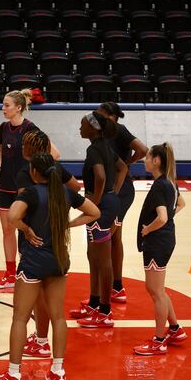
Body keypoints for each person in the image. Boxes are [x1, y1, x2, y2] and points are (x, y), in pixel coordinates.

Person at [0, 154, 100, 380]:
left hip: (33, 262)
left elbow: (12, 216)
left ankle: (13, 374)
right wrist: (68, 224)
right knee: (58, 316)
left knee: (20, 318)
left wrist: (25, 228)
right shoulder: (66, 193)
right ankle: (58, 371)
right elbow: (94, 212)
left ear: (34, 172)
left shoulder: (31, 193)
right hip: (59, 260)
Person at [15, 130, 80, 359]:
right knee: (52, 305)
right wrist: (63, 215)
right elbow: (76, 187)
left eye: (24, 143)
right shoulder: (56, 169)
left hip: (34, 240)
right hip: (57, 245)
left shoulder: (27, 173)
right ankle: (44, 344)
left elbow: (23, 206)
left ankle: (40, 341)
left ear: (31, 149)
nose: (21, 146)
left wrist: (24, 227)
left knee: (33, 299)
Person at [0, 89, 60, 290]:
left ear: (18, 107)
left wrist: (35, 173)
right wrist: (0, 165)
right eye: (3, 105)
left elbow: (54, 154)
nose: (3, 108)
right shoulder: (3, 128)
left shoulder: (30, 129)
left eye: (7, 105)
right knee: (7, 230)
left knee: (25, 231)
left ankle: (27, 271)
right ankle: (10, 273)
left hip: (25, 189)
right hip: (5, 187)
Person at [70, 111, 128, 328]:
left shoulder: (94, 148)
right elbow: (122, 168)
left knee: (103, 261)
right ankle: (94, 302)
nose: (80, 127)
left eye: (82, 124)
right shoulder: (105, 145)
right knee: (93, 256)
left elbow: (101, 176)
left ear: (93, 128)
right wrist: (113, 192)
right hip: (106, 204)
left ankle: (105, 312)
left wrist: (96, 200)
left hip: (101, 208)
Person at [133, 143, 188, 356]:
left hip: (158, 242)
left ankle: (158, 340)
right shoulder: (170, 183)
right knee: (159, 290)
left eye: (147, 157)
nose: (144, 159)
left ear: (156, 160)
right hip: (166, 240)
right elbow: (181, 204)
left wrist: (148, 229)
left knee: (155, 292)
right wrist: (167, 220)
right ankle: (175, 329)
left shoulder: (159, 185)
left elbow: (163, 217)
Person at [97, 102, 148, 303]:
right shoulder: (104, 133)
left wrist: (127, 163)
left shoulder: (119, 130)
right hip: (113, 190)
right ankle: (117, 287)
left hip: (121, 190)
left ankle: (108, 292)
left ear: (110, 116)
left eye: (100, 114)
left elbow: (143, 149)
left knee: (106, 239)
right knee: (114, 239)